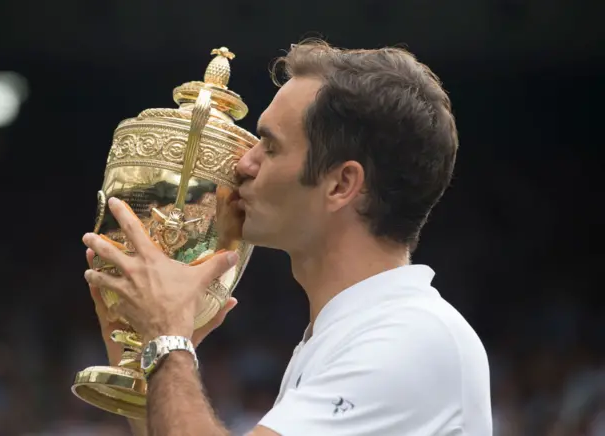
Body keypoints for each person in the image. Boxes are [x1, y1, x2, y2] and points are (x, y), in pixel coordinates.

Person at [83, 39, 492, 435]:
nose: (244, 162)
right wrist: (142, 365)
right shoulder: (350, 332)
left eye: (270, 147)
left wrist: (167, 338)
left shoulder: (411, 337)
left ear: (341, 184)